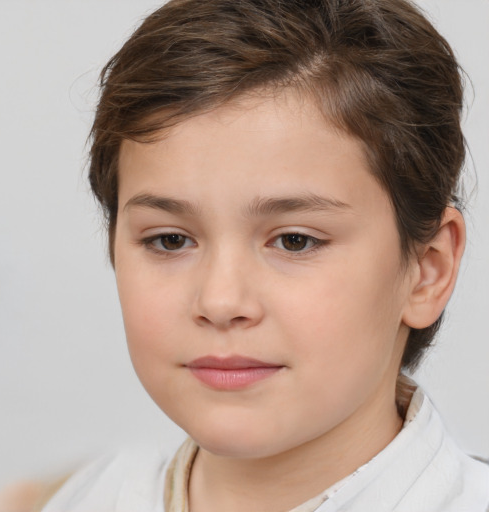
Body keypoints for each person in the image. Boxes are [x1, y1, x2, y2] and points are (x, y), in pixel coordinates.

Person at [42, 0, 489, 510]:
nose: (220, 300)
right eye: (170, 240)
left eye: (294, 240)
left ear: (428, 271)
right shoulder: (91, 497)